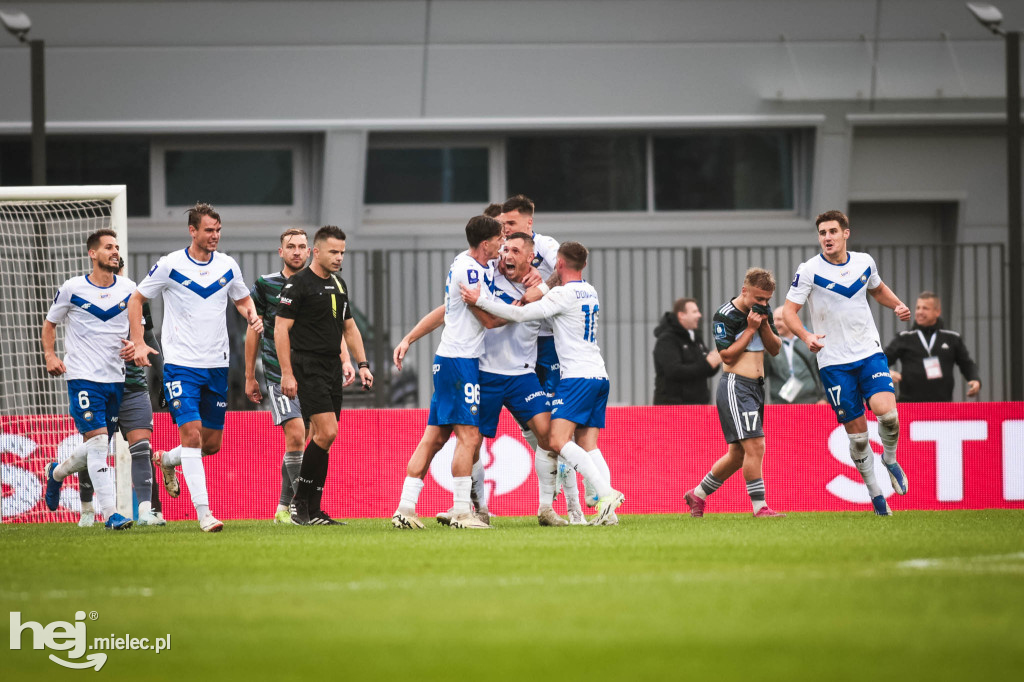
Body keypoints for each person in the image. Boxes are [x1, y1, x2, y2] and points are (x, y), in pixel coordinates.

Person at [394, 233, 568, 526]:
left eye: (515, 250)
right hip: (484, 372)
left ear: (530, 258)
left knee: (549, 437)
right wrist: (410, 337)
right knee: (470, 441)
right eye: (505, 249)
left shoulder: (542, 290)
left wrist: (545, 286)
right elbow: (446, 310)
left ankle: (546, 508)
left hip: (523, 376)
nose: (507, 255)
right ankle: (477, 510)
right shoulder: (486, 277)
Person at [462, 241, 625, 526]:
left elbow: (521, 314)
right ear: (583, 265)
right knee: (588, 445)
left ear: (558, 264)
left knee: (557, 441)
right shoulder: (590, 290)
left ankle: (605, 493)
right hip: (599, 375)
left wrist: (480, 301)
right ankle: (607, 513)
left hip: (576, 378)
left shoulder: (562, 294)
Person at [128, 203, 263, 533]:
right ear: (192, 230)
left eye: (218, 230)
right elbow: (136, 299)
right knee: (190, 434)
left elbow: (242, 298)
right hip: (180, 366)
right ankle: (204, 514)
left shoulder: (228, 266)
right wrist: (139, 341)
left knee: (210, 444)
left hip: (217, 365)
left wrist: (251, 314)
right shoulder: (170, 265)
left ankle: (168, 460)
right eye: (208, 230)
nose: (214, 236)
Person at [781, 209, 911, 516]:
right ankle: (875, 493)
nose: (827, 237)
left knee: (888, 415)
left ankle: (890, 459)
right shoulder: (809, 270)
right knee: (859, 437)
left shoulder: (864, 262)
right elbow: (788, 312)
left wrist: (897, 305)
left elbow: (877, 289)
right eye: (822, 233)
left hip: (868, 352)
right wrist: (806, 335)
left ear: (845, 234)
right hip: (834, 362)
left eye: (832, 232)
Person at [390, 215, 504, 530]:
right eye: (499, 239)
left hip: (450, 360)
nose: (502, 244)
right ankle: (461, 511)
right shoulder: (470, 270)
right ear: (486, 243)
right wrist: (526, 307)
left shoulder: (475, 264)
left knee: (435, 437)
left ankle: (405, 508)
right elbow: (490, 321)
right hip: (460, 362)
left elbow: (446, 310)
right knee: (469, 436)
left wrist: (409, 337)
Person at [245, 228, 353, 524]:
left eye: (301, 246)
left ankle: (287, 506)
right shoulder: (267, 285)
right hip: (282, 372)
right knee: (298, 435)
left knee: (314, 436)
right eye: (290, 246)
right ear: (281, 251)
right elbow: (256, 329)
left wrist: (349, 359)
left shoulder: (332, 284)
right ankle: (300, 506)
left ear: (309, 251)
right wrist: (249, 375)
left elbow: (334, 326)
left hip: (322, 370)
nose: (296, 251)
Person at [274, 226, 371, 526]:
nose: (339, 257)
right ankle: (298, 502)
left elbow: (349, 327)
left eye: (342, 252)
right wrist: (287, 373)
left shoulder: (339, 285)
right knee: (327, 432)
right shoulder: (298, 285)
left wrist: (361, 363)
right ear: (316, 252)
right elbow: (280, 330)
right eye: (333, 251)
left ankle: (313, 510)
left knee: (322, 438)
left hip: (331, 367)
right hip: (307, 365)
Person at [42, 229, 136, 530]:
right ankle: (111, 515)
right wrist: (50, 356)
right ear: (92, 253)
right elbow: (50, 324)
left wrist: (136, 344)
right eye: (108, 247)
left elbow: (138, 328)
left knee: (98, 446)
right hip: (82, 376)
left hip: (115, 379)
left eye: (117, 247)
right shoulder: (72, 288)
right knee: (98, 445)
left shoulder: (130, 289)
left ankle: (56, 473)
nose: (115, 251)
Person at [498, 195, 586, 518]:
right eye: (502, 224)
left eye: (511, 223)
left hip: (552, 345)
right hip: (521, 348)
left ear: (529, 222)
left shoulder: (547, 246)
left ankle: (573, 506)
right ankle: (550, 499)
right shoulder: (504, 252)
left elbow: (568, 275)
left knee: (557, 433)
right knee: (535, 434)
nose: (505, 229)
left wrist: (543, 288)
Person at [683, 269, 785, 518]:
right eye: (758, 299)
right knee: (756, 445)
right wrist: (750, 329)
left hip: (756, 388)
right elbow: (726, 355)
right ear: (744, 291)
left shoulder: (763, 312)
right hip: (736, 385)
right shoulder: (724, 315)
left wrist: (764, 327)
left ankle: (697, 494)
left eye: (767, 300)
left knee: (738, 454)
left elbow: (775, 349)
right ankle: (760, 508)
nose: (762, 304)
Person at [884, 291, 981, 402]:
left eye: (925, 308)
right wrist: (887, 373)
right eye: (918, 308)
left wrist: (975, 379)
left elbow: (967, 363)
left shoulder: (952, 338)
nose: (920, 312)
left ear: (937, 312)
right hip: (909, 406)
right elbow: (881, 361)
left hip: (942, 406)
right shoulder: (904, 338)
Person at [652, 297, 721, 405]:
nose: (699, 315)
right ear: (681, 315)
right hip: (673, 409)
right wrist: (708, 364)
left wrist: (715, 363)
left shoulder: (695, 338)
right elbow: (674, 371)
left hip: (698, 406)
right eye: (695, 312)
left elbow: (706, 369)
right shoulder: (667, 340)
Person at [764, 309, 826, 404]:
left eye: (779, 319)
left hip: (811, 403)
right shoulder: (772, 346)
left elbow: (824, 373)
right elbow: (762, 374)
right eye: (773, 320)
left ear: (791, 320)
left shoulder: (810, 343)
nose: (775, 323)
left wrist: (825, 398)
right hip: (780, 405)